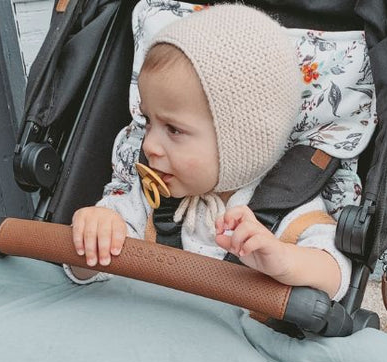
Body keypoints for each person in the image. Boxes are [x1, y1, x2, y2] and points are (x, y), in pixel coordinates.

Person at [65, 4, 351, 300]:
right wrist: (93, 235)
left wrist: (283, 260)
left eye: (174, 130)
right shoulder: (145, 202)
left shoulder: (285, 205)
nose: (148, 145)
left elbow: (335, 274)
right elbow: (88, 273)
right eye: (148, 122)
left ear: (241, 140)